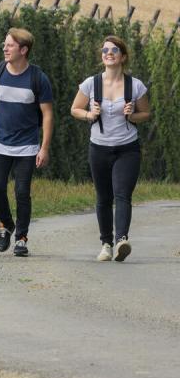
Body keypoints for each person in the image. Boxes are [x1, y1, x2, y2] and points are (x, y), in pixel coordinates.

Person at [71, 35, 150, 263]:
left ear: (122, 56)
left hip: (127, 148)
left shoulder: (134, 85)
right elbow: (75, 108)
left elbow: (146, 113)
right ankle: (106, 244)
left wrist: (133, 114)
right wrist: (89, 114)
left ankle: (121, 240)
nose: (108, 53)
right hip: (99, 148)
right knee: (103, 197)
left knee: (122, 194)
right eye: (105, 50)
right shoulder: (91, 83)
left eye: (114, 50)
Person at [0, 28, 54, 257]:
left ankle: (21, 237)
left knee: (22, 192)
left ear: (23, 50)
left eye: (10, 45)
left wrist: (44, 148)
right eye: (5, 44)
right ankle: (6, 224)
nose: (5, 48)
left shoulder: (38, 78)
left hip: (27, 146)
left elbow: (48, 114)